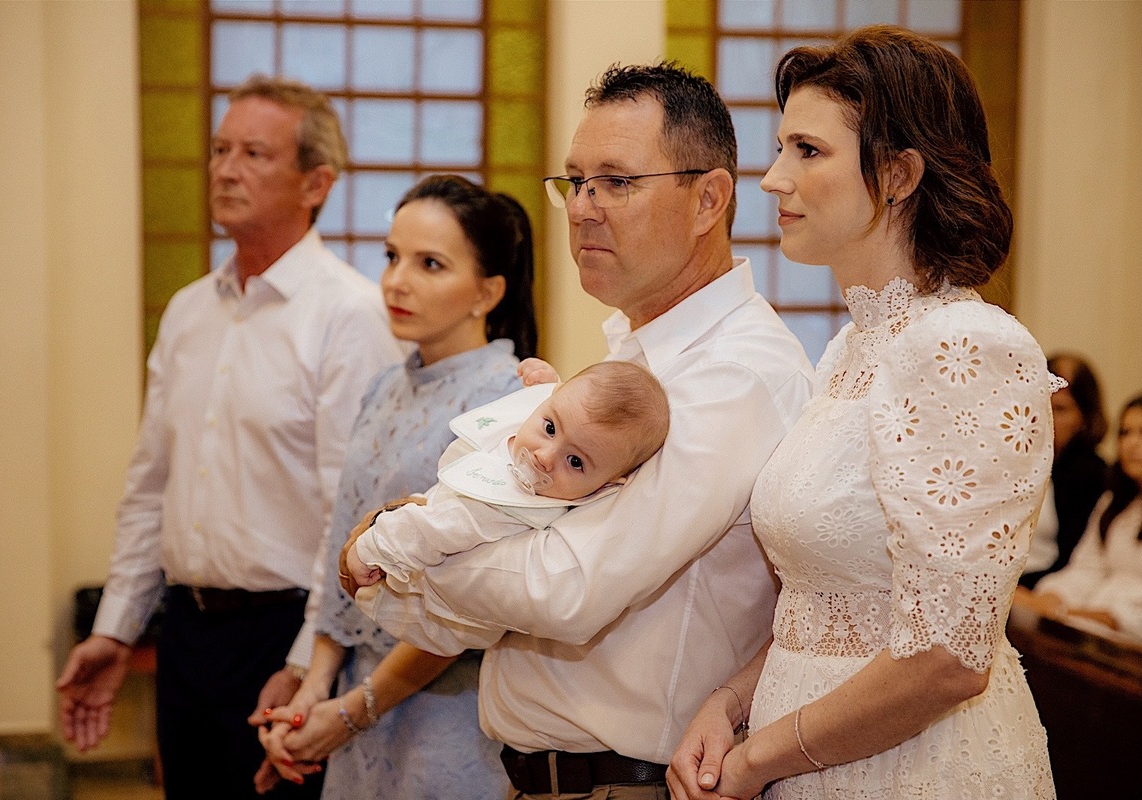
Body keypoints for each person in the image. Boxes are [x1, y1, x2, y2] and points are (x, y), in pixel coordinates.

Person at [343, 62, 815, 799]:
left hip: (633, 783)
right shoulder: (631, 352)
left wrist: (396, 544)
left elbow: (563, 588)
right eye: (575, 182)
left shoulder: (735, 372)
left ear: (708, 199)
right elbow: (496, 594)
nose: (584, 208)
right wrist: (396, 567)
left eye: (616, 182)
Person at [667, 26, 1057, 799]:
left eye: (808, 151)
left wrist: (759, 759)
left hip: (913, 766)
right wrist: (732, 701)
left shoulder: (966, 344)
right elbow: (831, 608)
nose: (774, 179)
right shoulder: (853, 349)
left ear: (899, 173)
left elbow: (947, 658)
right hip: (802, 750)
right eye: (781, 149)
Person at [54, 75, 404, 799]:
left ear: (315, 183)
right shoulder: (189, 312)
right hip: (185, 631)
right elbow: (151, 487)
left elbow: (353, 511)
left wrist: (307, 661)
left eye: (253, 153)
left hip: (285, 632)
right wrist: (117, 629)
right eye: (219, 150)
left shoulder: (349, 315)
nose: (225, 170)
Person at [255, 173, 538, 800]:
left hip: (445, 704)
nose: (396, 281)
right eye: (391, 257)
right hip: (357, 692)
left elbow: (469, 600)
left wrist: (354, 709)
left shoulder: (507, 399)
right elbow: (344, 532)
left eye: (429, 264)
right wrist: (312, 693)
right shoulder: (385, 386)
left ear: (487, 291)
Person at [344, 360, 671, 590]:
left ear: (606, 486)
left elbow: (440, 528)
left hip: (412, 558)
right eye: (550, 427)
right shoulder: (556, 420)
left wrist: (375, 547)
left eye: (575, 462)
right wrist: (544, 385)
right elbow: (569, 412)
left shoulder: (509, 508)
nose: (544, 457)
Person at [1022, 391, 1142, 645]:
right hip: (1094, 627)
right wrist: (1054, 598)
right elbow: (1087, 568)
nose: (1132, 444)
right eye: (1125, 433)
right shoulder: (1116, 501)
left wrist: (1069, 614)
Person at [1021, 352, 1109, 586]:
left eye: (1060, 409)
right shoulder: (1014, 462)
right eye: (1041, 406)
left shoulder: (1090, 474)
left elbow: (1072, 561)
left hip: (1044, 587)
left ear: (1085, 417)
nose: (1045, 418)